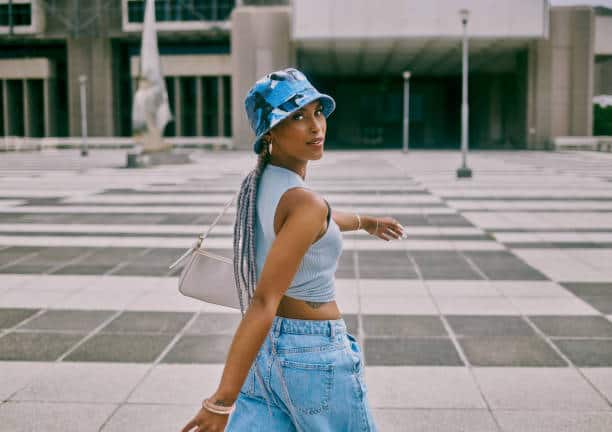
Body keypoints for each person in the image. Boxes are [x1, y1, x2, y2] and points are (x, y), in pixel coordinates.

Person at [181, 67, 405, 432]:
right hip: (314, 354)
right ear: (269, 131)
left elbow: (316, 223)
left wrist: (365, 221)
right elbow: (264, 301)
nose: (315, 126)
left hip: (268, 352)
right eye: (297, 116)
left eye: (317, 112)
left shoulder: (259, 183)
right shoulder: (304, 202)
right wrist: (220, 403)